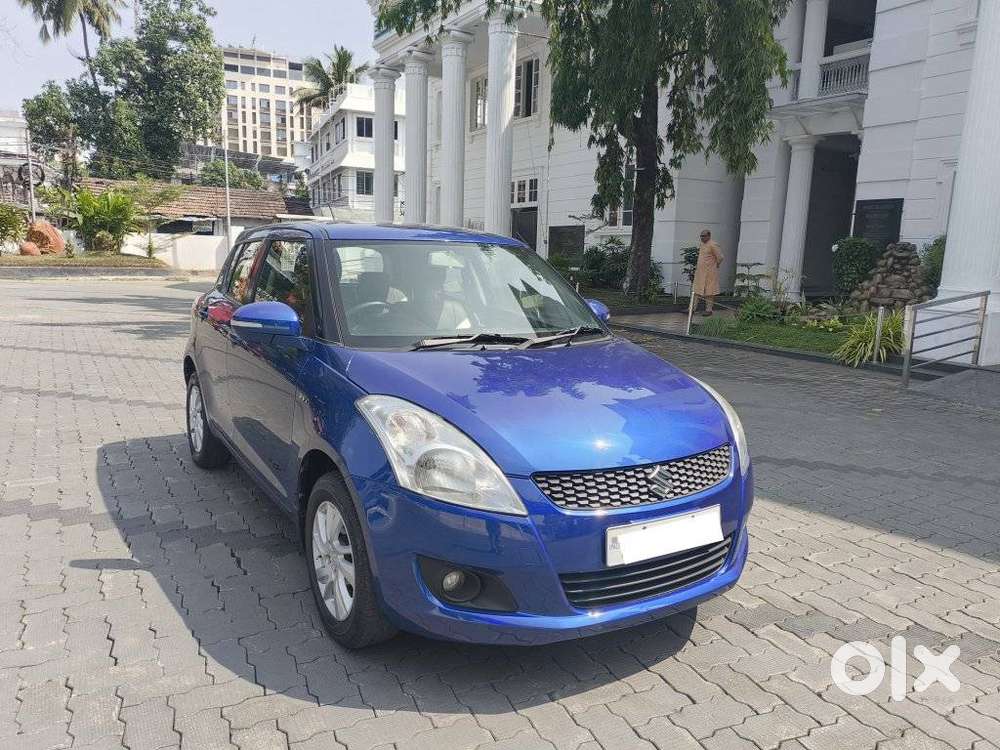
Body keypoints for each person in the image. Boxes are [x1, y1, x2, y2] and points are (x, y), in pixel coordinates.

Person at [692, 229, 724, 316]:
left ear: (709, 236)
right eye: (701, 236)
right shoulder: (702, 244)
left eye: (704, 236)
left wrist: (715, 265)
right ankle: (692, 308)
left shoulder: (713, 244)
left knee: (710, 292)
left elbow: (720, 257)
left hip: (710, 273)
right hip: (700, 273)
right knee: (696, 290)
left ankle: (709, 310)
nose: (702, 238)